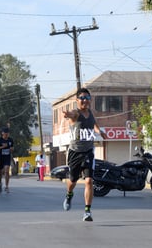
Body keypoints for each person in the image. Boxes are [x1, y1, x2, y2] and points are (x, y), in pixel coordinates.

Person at [62, 87, 106, 222]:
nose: (85, 101)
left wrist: (99, 131)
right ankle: (69, 195)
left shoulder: (90, 113)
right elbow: (71, 114)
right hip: (75, 152)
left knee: (89, 180)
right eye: (82, 98)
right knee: (73, 181)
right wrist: (67, 114)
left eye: (87, 98)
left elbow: (94, 124)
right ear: (77, 100)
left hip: (88, 151)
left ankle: (87, 211)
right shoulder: (76, 113)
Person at [0, 127, 14, 193]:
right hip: (0, 158)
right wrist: (2, 147)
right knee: (0, 173)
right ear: (2, 133)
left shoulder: (10, 140)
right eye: (5, 133)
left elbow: (12, 148)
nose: (6, 134)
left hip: (7, 157)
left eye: (7, 133)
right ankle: (0, 183)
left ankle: (7, 186)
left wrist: (11, 149)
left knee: (7, 171)